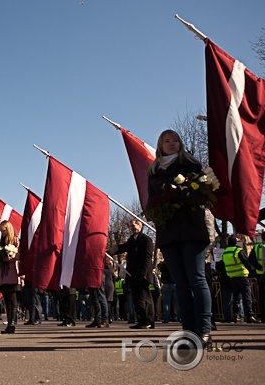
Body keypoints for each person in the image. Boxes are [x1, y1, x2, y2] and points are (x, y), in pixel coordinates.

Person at [146, 129, 212, 345]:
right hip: (169, 234)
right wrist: (157, 211)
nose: (171, 143)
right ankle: (189, 332)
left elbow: (202, 195)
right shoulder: (154, 173)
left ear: (180, 143)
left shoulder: (191, 166)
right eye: (167, 141)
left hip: (192, 230)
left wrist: (182, 193)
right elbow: (151, 203)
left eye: (175, 140)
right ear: (160, 146)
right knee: (181, 284)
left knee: (197, 280)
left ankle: (204, 329)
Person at [108, 219, 155, 329]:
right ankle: (141, 320)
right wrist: (109, 251)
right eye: (131, 226)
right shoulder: (132, 240)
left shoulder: (146, 239)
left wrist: (143, 273)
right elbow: (122, 247)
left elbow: (147, 258)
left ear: (140, 226)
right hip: (132, 274)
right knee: (137, 299)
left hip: (142, 274)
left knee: (145, 298)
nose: (132, 228)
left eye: (134, 226)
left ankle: (148, 321)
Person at [221, 236, 259, 323]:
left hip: (232, 277)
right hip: (242, 276)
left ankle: (235, 315)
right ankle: (249, 315)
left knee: (236, 297)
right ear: (235, 243)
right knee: (246, 297)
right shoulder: (238, 251)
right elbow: (246, 262)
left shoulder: (225, 253)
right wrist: (252, 269)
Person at [0, 220, 21, 334]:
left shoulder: (15, 240)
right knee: (6, 299)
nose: (2, 232)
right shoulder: (2, 241)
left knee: (12, 299)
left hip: (11, 272)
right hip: (3, 273)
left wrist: (8, 257)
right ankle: (9, 323)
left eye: (3, 230)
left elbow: (19, 255)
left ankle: (12, 324)